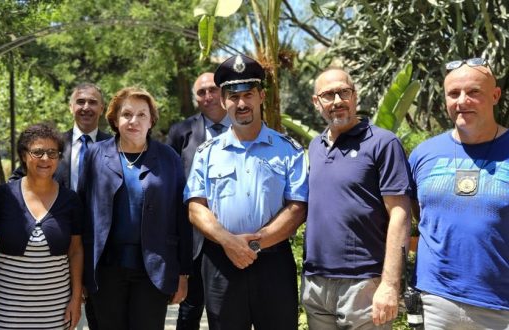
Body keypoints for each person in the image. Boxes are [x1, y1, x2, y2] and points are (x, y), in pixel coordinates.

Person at [184, 54, 308, 329]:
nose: (241, 103)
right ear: (224, 101)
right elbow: (195, 206)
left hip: (273, 262)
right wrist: (229, 242)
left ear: (261, 96)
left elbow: (298, 208)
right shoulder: (207, 154)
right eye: (233, 96)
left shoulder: (288, 150)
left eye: (248, 94)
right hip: (221, 263)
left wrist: (253, 244)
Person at [301, 68, 412, 329]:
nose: (337, 100)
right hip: (316, 283)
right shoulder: (315, 146)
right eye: (328, 95)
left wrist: (389, 284)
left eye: (344, 92)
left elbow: (400, 213)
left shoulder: (383, 143)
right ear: (317, 102)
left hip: (364, 284)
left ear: (355, 96)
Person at [79, 86, 192, 330]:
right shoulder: (95, 155)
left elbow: (181, 218)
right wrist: (81, 273)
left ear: (151, 120)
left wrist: (182, 273)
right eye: (127, 114)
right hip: (105, 270)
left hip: (153, 270)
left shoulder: (169, 157)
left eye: (142, 114)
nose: (134, 121)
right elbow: (83, 214)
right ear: (115, 119)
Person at [408, 58, 509, 329]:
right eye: (454, 94)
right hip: (435, 302)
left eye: (474, 92)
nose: (462, 101)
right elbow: (417, 215)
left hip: (501, 306)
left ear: (495, 95)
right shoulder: (423, 155)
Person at [0, 123, 84, 329]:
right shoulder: (3, 196)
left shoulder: (71, 200)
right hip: (7, 309)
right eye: (37, 152)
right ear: (24, 155)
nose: (45, 159)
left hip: (55, 311)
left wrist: (76, 299)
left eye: (52, 153)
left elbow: (76, 251)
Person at [166, 72, 230, 330]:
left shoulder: (244, 127)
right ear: (195, 99)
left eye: (213, 89)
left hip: (234, 235)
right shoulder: (181, 132)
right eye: (201, 92)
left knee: (227, 309)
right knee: (190, 309)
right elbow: (168, 185)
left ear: (223, 92)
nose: (208, 96)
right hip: (193, 239)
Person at [10, 82, 112, 190]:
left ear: (101, 109)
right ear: (71, 107)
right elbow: (18, 178)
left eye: (92, 102)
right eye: (80, 102)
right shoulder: (54, 143)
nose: (86, 107)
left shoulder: (113, 146)